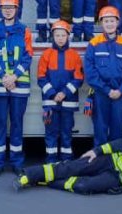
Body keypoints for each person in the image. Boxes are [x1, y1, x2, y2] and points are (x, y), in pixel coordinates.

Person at [0, 0, 34, 178]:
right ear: (0, 9)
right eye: (5, 7)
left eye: (11, 7)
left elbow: (28, 56)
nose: (8, 10)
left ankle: (16, 162)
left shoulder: (25, 30)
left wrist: (14, 76)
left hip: (18, 86)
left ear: (16, 9)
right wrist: (4, 76)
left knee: (17, 124)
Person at [84, 6, 122, 147]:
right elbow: (90, 72)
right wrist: (107, 90)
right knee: (100, 130)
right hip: (101, 94)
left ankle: (115, 163)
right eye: (106, 21)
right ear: (101, 23)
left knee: (117, 130)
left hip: (120, 94)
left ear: (118, 22)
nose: (109, 24)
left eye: (112, 21)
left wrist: (120, 90)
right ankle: (100, 164)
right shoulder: (94, 44)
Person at [37, 20, 84, 163]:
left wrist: (64, 93)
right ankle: (51, 161)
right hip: (50, 103)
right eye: (57, 35)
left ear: (68, 36)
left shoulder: (74, 55)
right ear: (53, 36)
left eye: (63, 35)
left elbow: (79, 78)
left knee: (66, 133)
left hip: (68, 103)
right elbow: (41, 77)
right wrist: (53, 94)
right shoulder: (46, 55)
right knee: (51, 133)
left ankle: (66, 161)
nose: (60, 38)